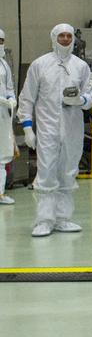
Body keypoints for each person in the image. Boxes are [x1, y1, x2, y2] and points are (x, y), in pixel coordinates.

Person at [18, 23, 92, 237]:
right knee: (47, 172)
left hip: (72, 129)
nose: (65, 39)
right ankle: (44, 220)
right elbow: (27, 98)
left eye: (68, 36)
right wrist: (27, 128)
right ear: (53, 38)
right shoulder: (40, 65)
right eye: (61, 36)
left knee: (68, 172)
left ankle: (63, 218)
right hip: (47, 129)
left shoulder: (81, 66)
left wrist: (81, 100)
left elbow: (91, 97)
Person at [0, 28, 16, 205]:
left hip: (3, 115)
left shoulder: (4, 64)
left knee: (2, 153)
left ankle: (0, 193)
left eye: (1, 41)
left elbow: (9, 86)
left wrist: (11, 99)